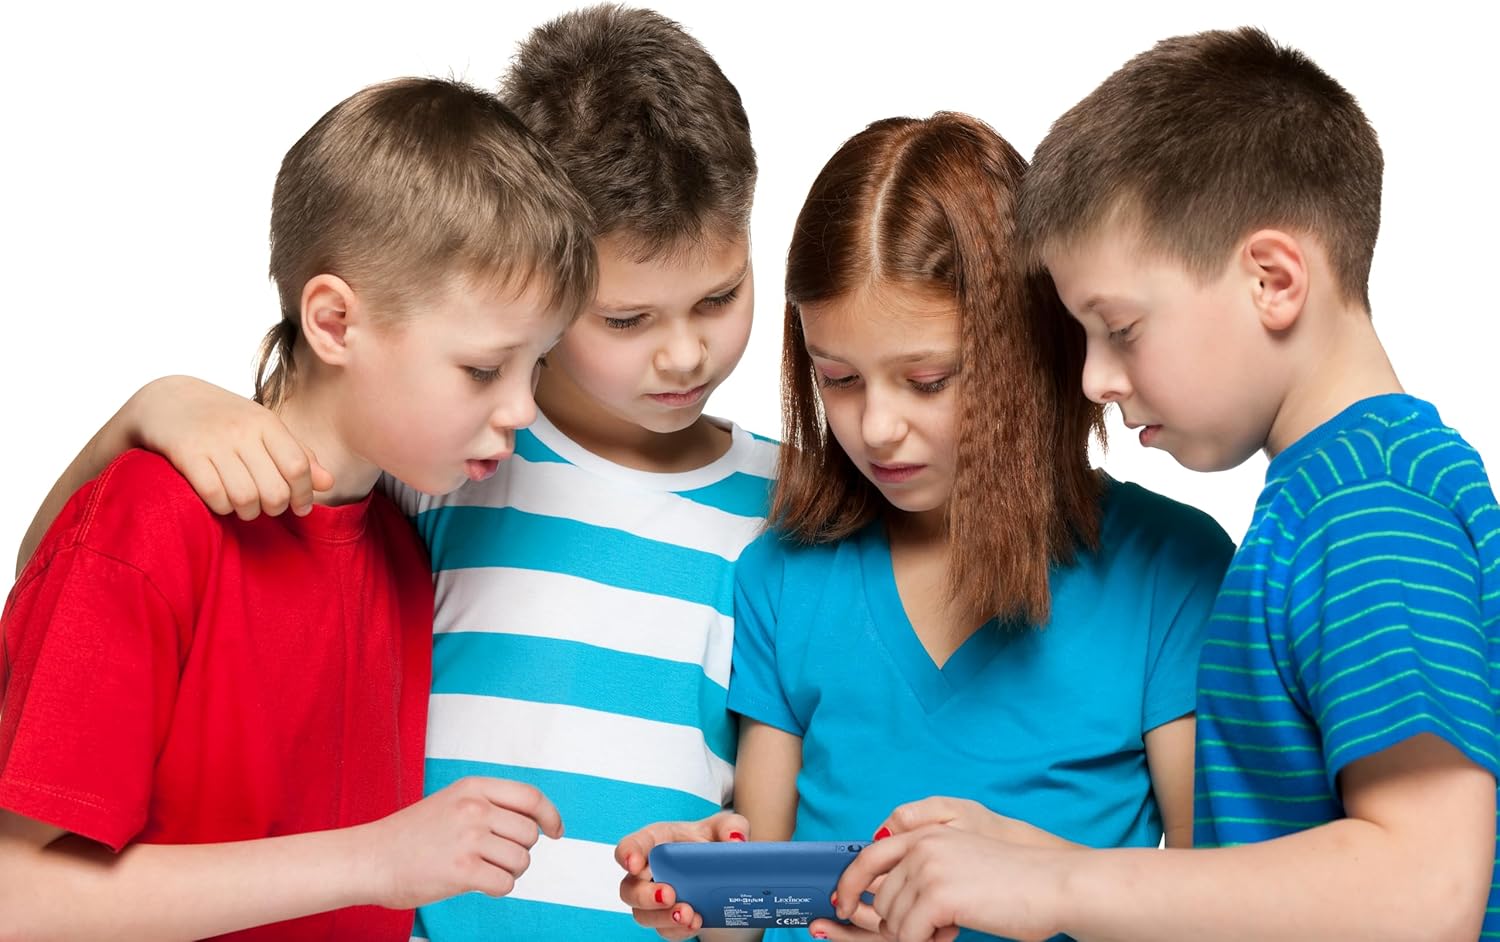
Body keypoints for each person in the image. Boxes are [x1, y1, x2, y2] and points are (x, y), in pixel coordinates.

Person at [10, 6, 773, 939]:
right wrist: (146, 411)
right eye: (486, 369)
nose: (522, 411)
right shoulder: (356, 489)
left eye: (535, 367)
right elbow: (15, 883)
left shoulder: (406, 534)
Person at [829, 28, 1500, 942]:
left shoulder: (1369, 510)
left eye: (1120, 329)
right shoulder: (1329, 499)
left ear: (1272, 280)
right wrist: (1039, 864)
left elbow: (1427, 889)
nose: (1094, 379)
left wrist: (1061, 887)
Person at [616, 111, 1234, 942]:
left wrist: (1030, 878)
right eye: (838, 379)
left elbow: (1217, 905)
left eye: (929, 380)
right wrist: (710, 886)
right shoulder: (785, 575)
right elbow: (761, 898)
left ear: (1030, 352)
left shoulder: (1170, 573)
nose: (877, 428)